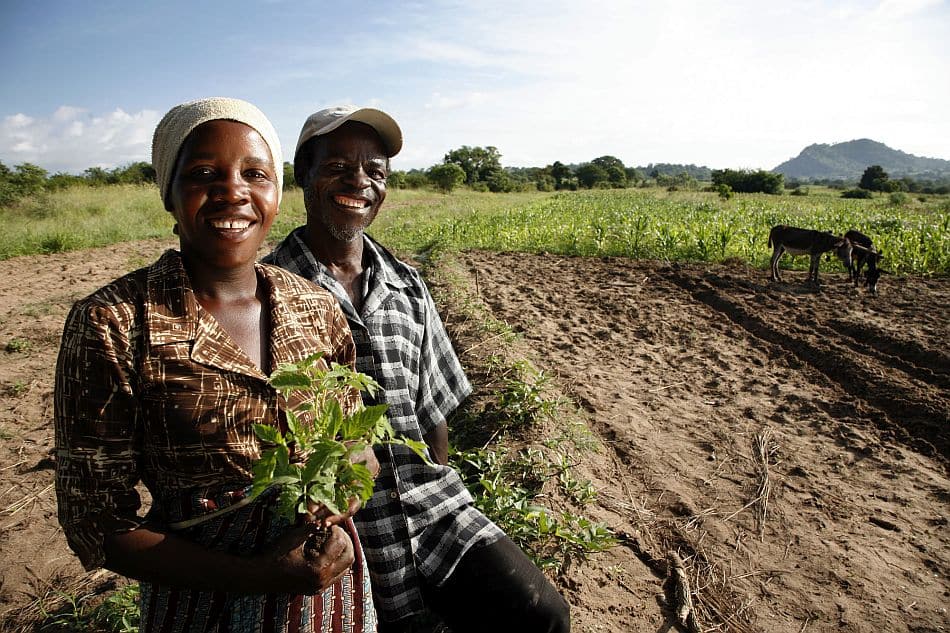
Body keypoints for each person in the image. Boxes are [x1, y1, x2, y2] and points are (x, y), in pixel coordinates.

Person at [54, 97, 379, 632]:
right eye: (204, 173)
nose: (234, 191)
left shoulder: (314, 306)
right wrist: (256, 575)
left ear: (276, 193)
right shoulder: (113, 323)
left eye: (255, 173)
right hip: (203, 607)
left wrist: (341, 494)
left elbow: (352, 441)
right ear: (169, 193)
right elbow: (97, 525)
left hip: (329, 594)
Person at [264, 106, 571, 633]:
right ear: (304, 177)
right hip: (339, 531)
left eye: (375, 171)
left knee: (542, 614)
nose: (359, 181)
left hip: (432, 510)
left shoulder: (406, 284)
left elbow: (432, 415)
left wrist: (441, 488)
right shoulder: (267, 288)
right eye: (338, 166)